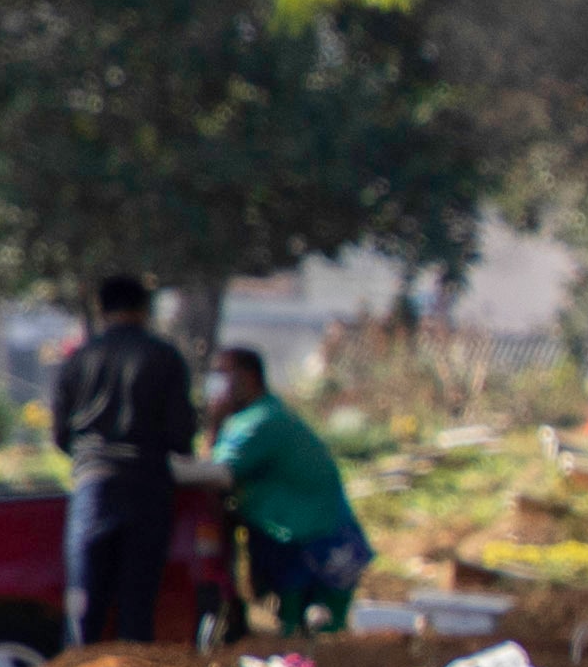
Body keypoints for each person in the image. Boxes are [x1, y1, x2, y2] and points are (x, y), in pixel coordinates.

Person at [49, 273, 196, 645]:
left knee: (84, 607)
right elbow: (182, 436)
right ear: (145, 310)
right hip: (148, 487)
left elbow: (60, 435)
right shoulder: (164, 357)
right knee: (136, 606)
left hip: (92, 486)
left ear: (101, 310)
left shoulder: (79, 359)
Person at [207, 346, 373, 633]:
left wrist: (213, 423)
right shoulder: (265, 414)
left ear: (248, 377)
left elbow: (220, 471)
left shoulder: (260, 422)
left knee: (309, 632)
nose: (218, 386)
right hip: (305, 535)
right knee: (302, 630)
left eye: (225, 375)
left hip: (311, 542)